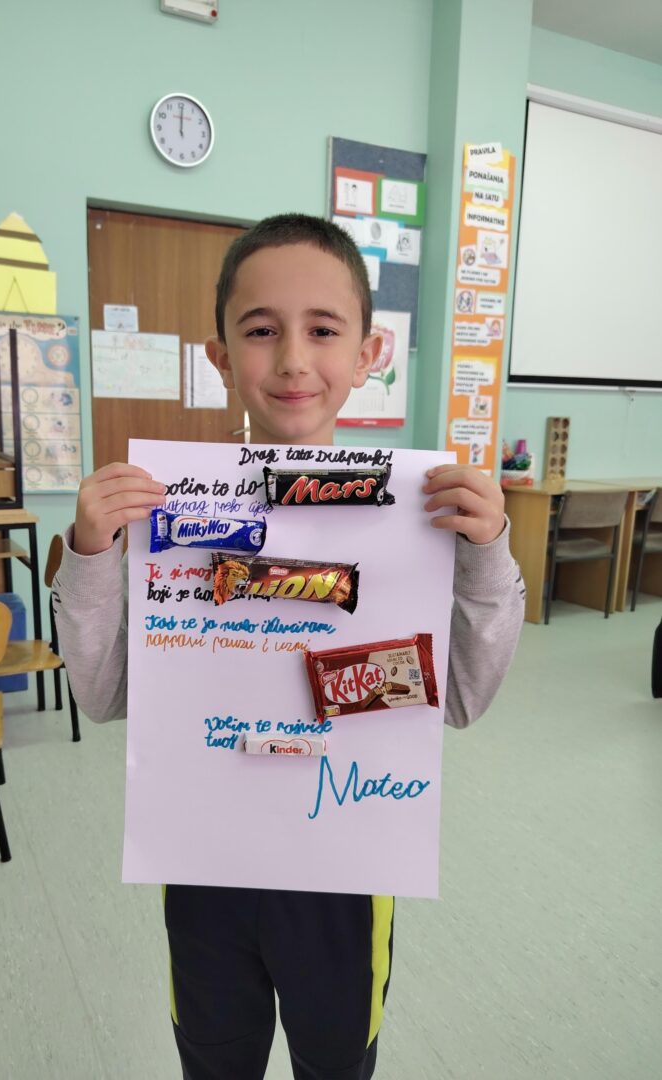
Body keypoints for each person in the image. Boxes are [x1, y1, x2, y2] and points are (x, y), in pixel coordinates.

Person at [52, 214, 525, 1080]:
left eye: (324, 330)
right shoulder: (174, 513)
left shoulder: (414, 516)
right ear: (221, 356)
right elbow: (106, 694)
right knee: (216, 1059)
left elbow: (456, 699)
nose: (294, 359)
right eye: (262, 330)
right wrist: (90, 557)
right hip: (205, 858)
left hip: (345, 861)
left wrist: (487, 557)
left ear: (369, 352)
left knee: (335, 1061)